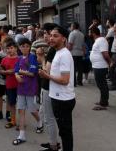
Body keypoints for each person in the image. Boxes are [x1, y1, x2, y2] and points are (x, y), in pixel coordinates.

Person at [39, 26, 75, 151]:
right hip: (57, 97)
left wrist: (46, 75)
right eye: (51, 35)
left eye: (56, 36)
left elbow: (65, 80)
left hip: (63, 100)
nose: (52, 38)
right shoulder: (58, 53)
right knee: (63, 131)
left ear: (63, 39)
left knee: (65, 132)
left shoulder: (64, 55)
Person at [12, 38, 42, 145]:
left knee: (32, 109)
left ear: (29, 47)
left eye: (27, 46)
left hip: (30, 88)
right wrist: (16, 76)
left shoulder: (33, 57)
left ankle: (39, 121)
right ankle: (22, 135)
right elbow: (15, 71)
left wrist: (21, 72)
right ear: (19, 48)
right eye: (22, 46)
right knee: (21, 110)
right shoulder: (19, 58)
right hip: (21, 89)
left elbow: (33, 73)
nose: (24, 48)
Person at [37, 22, 60, 151]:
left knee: (48, 117)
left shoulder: (52, 51)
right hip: (47, 87)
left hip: (48, 87)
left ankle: (53, 145)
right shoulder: (53, 50)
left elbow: (46, 71)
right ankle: (53, 142)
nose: (46, 37)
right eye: (46, 34)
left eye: (48, 34)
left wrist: (41, 58)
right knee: (44, 114)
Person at [89, 27, 111, 110]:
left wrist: (110, 63)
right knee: (101, 84)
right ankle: (103, 101)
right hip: (97, 66)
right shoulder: (98, 41)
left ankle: (104, 103)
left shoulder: (101, 40)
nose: (88, 34)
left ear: (93, 33)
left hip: (100, 66)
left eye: (90, 32)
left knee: (102, 84)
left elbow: (105, 54)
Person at [0, 39, 19, 128]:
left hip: (20, 84)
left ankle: (22, 122)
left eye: (11, 48)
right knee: (11, 103)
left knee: (22, 104)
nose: (9, 50)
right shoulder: (4, 59)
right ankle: (13, 120)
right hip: (10, 84)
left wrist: (10, 71)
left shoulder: (20, 59)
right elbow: (1, 70)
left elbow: (20, 70)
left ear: (16, 48)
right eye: (8, 48)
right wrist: (8, 72)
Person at [68, 22, 85, 86]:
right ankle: (80, 82)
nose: (70, 27)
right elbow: (83, 45)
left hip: (73, 53)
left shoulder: (72, 34)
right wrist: (83, 53)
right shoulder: (82, 34)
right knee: (80, 69)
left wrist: (68, 51)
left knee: (73, 68)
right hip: (80, 53)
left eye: (71, 26)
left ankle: (74, 82)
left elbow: (70, 44)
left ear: (73, 26)